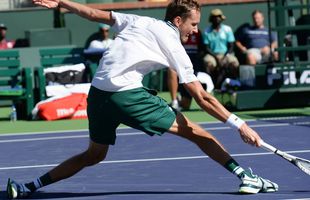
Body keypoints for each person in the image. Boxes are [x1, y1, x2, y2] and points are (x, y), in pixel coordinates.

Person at [7, 0, 278, 199]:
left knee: (94, 154)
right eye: (193, 24)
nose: (195, 31)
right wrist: (240, 125)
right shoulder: (173, 44)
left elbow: (92, 13)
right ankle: (246, 177)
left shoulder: (137, 20)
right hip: (128, 96)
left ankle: (28, 187)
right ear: (178, 20)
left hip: (98, 96)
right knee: (197, 133)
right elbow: (203, 98)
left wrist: (62, 2)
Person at [168, 29, 214, 110]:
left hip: (192, 69)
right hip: (179, 64)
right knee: (171, 70)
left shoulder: (198, 32)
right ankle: (174, 101)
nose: (195, 28)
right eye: (193, 24)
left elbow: (201, 49)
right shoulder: (176, 31)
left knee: (186, 105)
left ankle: (180, 101)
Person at [202, 9, 240, 89]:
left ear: (221, 18)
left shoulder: (227, 29)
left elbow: (231, 46)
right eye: (214, 17)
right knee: (208, 64)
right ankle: (211, 86)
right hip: (212, 54)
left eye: (219, 17)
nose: (217, 19)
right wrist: (216, 57)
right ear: (211, 19)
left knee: (234, 63)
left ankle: (233, 84)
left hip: (226, 54)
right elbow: (206, 48)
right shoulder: (207, 31)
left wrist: (225, 57)